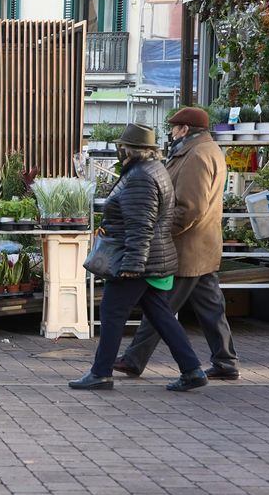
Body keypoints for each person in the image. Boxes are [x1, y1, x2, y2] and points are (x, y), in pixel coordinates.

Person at [69, 124, 208, 392]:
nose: (119, 151)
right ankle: (191, 369)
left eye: (121, 147)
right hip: (150, 258)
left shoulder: (140, 177)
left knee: (111, 312)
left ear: (129, 150)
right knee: (160, 315)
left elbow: (140, 225)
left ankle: (100, 373)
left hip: (136, 260)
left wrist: (132, 266)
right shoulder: (151, 170)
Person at [115, 107, 240, 380]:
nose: (171, 132)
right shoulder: (205, 150)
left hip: (187, 246)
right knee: (211, 308)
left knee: (159, 305)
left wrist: (161, 233)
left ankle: (135, 359)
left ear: (185, 129)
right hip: (202, 245)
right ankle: (226, 361)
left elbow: (189, 207)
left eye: (174, 127)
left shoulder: (196, 155)